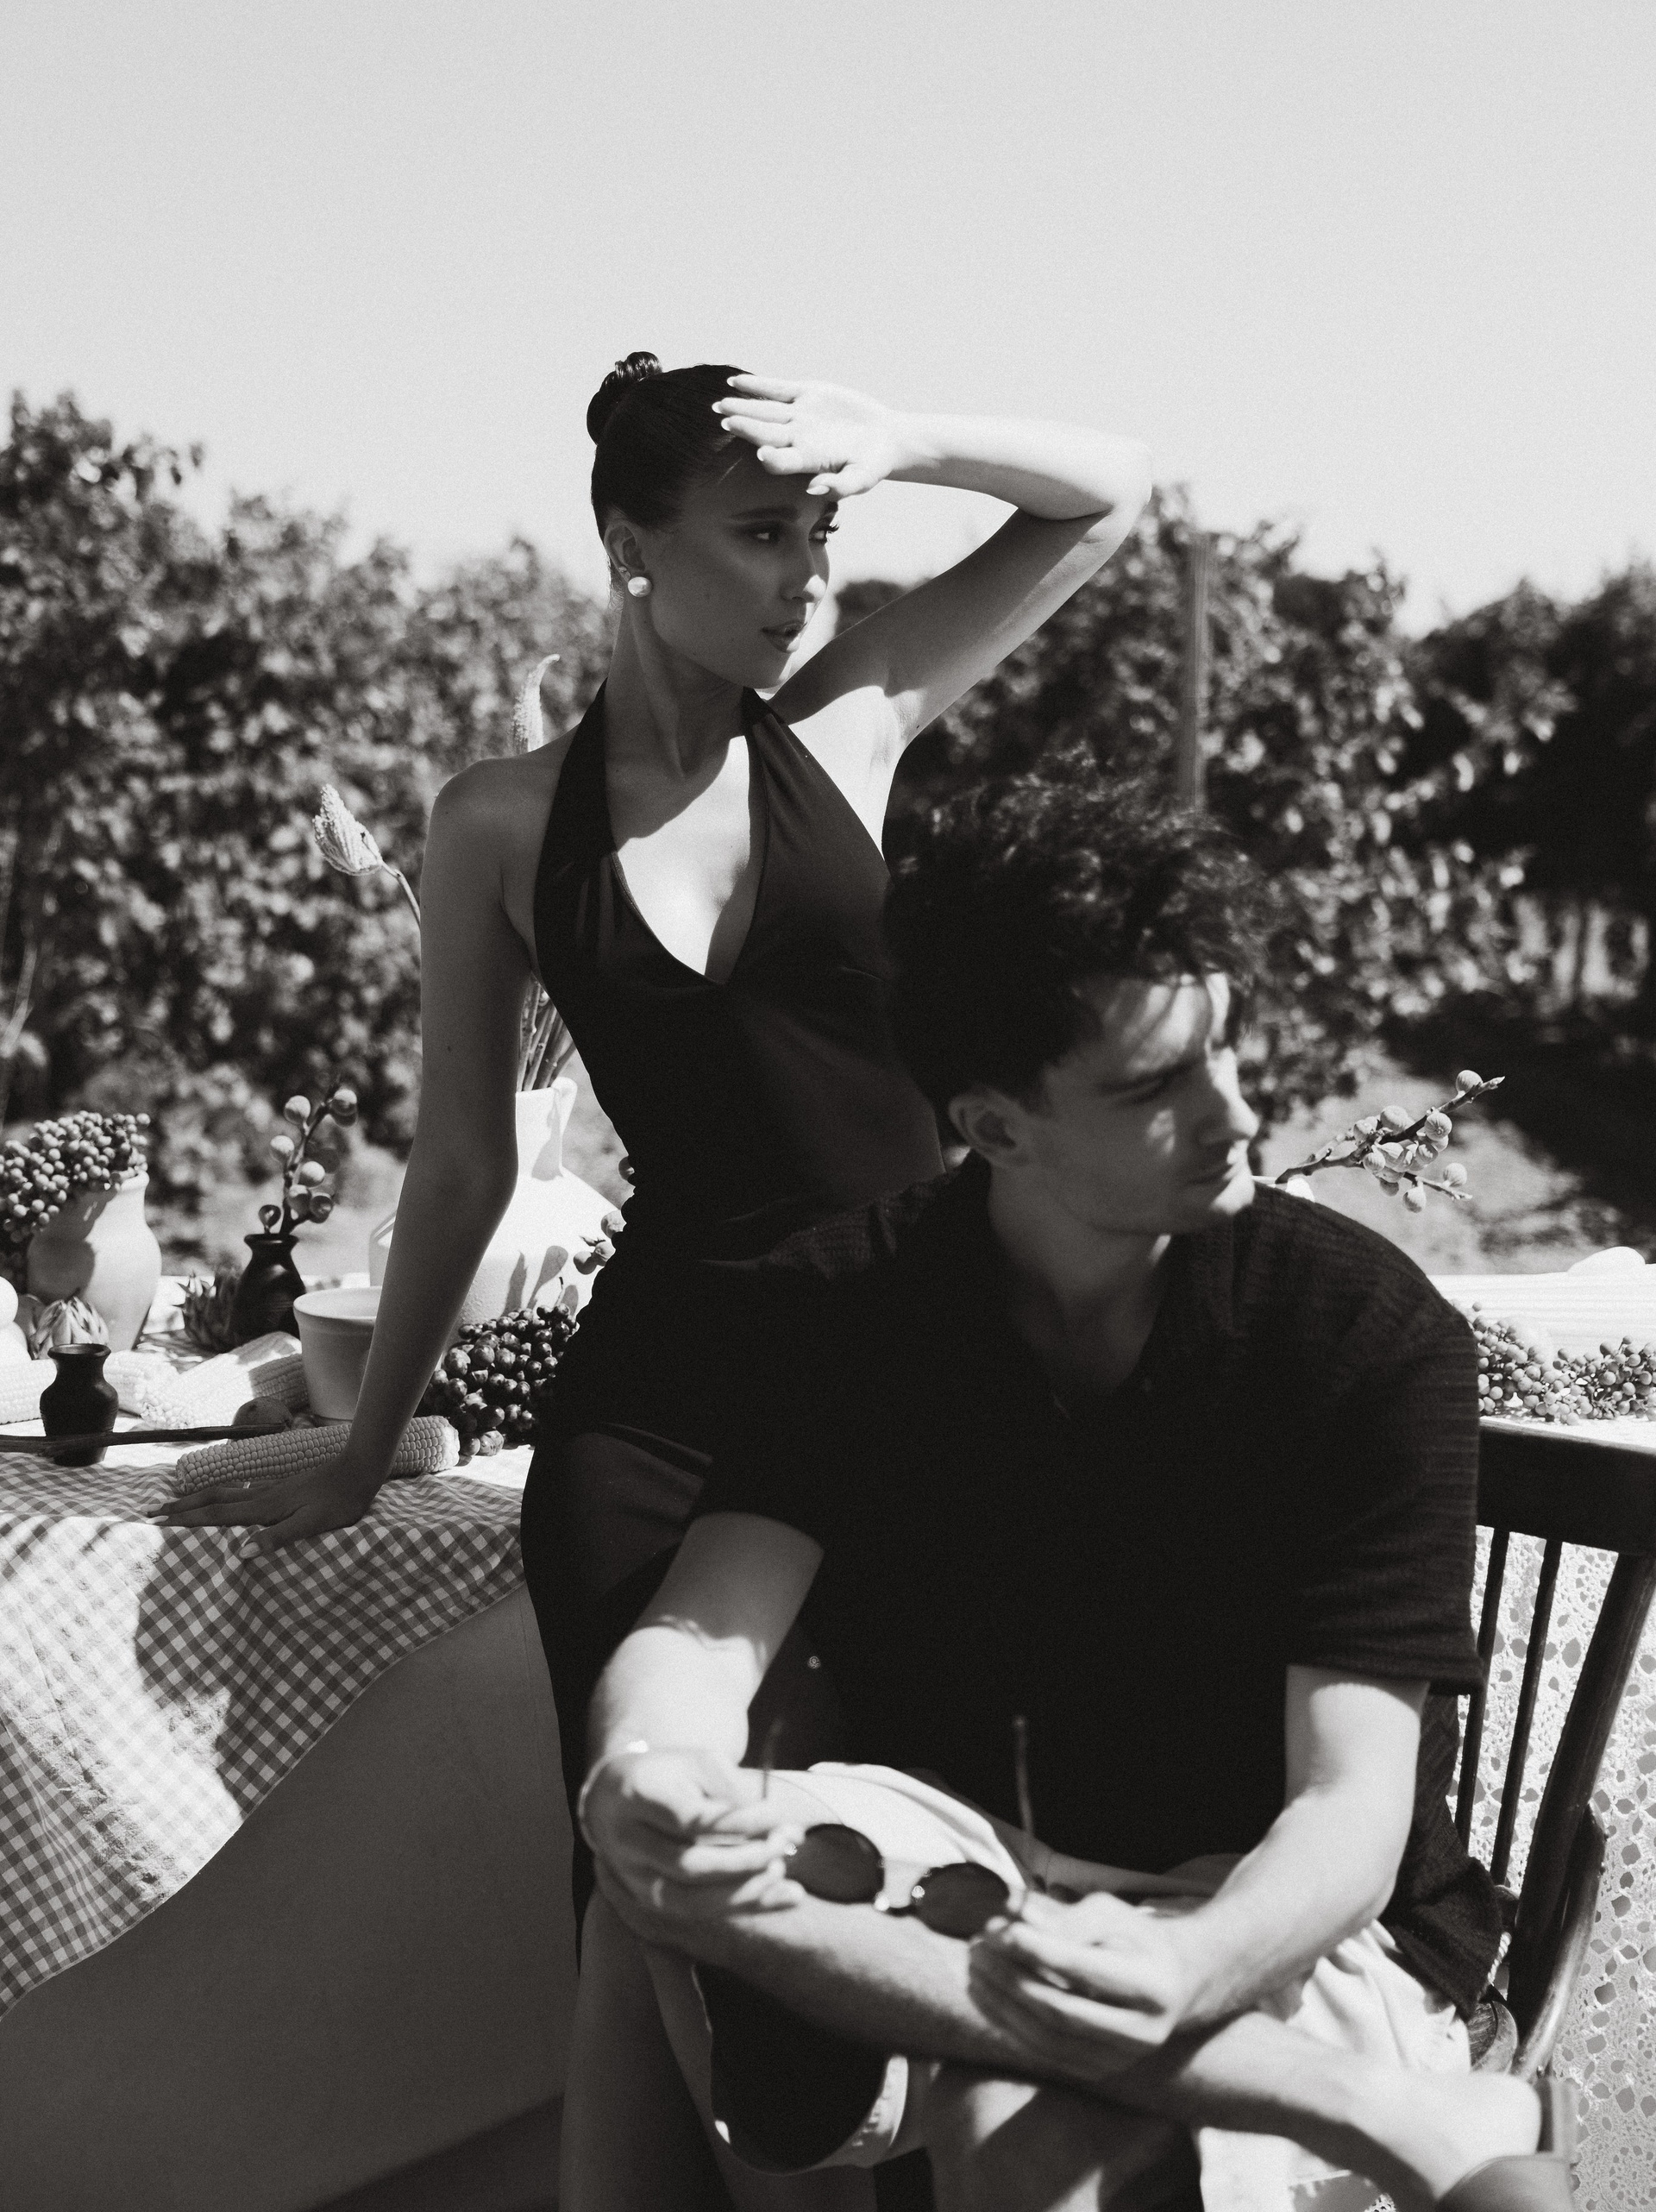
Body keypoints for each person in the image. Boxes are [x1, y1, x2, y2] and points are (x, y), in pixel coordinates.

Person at [160, 356, 1152, 1890]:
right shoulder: (497, 821)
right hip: (657, 1412)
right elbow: (464, 1162)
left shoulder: (850, 724)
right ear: (631, 545)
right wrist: (361, 1451)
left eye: (820, 537)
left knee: (901, 1870)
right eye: (761, 534)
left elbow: (1105, 497)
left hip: (911, 1371)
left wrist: (904, 441)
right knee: (645, 1875)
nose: (806, 579)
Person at [574, 765, 1573, 2212]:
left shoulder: (1358, 1334)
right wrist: (645, 1762)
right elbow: (703, 1636)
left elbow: (1348, 1813)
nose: (1236, 1113)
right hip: (977, 1879)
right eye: (1157, 1087)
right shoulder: (844, 1306)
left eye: (1225, 1048)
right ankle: (1384, 2117)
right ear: (994, 1127)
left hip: (1278, 1915)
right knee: (652, 1861)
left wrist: (1186, 1963)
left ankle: (1322, 2076)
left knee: (1023, 2142)